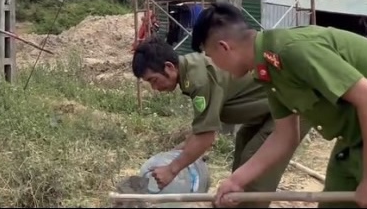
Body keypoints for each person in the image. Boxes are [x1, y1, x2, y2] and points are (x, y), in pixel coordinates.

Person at [191, 2, 367, 208]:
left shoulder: (292, 51)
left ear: (224, 47)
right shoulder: (269, 68)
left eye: (211, 57)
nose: (215, 65)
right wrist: (236, 180)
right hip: (355, 137)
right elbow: (285, 136)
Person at [132, 37, 309, 208]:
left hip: (288, 107)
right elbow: (202, 128)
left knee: (253, 172)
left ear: (169, 67)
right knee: (241, 159)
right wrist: (177, 152)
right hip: (264, 111)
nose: (154, 88)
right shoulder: (190, 69)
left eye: (153, 80)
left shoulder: (198, 79)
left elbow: (205, 137)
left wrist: (172, 169)